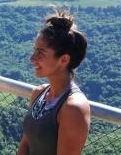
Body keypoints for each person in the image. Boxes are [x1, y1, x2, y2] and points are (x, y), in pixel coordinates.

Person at [18, 9, 91, 155]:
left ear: (64, 59)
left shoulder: (73, 108)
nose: (32, 58)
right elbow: (25, 145)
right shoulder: (39, 93)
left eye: (41, 52)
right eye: (34, 50)